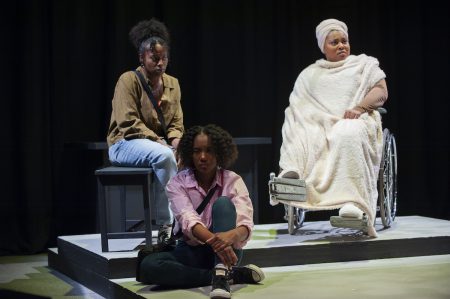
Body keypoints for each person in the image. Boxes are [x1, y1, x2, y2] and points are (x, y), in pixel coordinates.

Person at [274, 19, 388, 237]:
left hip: (354, 119)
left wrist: (360, 107)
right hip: (318, 124)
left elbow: (381, 90)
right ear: (323, 47)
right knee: (296, 122)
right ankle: (292, 173)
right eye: (334, 42)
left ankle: (353, 202)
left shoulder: (364, 65)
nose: (341, 45)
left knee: (346, 131)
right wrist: (309, 119)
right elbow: (298, 105)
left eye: (344, 41)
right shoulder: (309, 74)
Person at [137, 124, 265, 298]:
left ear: (219, 153)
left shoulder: (233, 180)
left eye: (209, 151)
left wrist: (232, 236)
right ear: (190, 154)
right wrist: (215, 241)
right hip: (192, 251)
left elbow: (245, 223)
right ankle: (229, 276)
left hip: (228, 251)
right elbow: (188, 219)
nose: (202, 157)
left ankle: (221, 272)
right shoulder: (177, 183)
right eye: (197, 151)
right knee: (149, 266)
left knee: (223, 204)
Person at [107, 18, 184, 243]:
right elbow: (128, 122)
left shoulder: (173, 83)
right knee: (163, 154)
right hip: (124, 144)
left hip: (158, 145)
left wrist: (178, 143)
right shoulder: (128, 80)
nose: (160, 63)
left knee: (188, 155)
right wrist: (161, 143)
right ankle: (167, 224)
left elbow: (176, 124)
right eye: (154, 58)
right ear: (142, 57)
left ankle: (193, 221)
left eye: (164, 58)